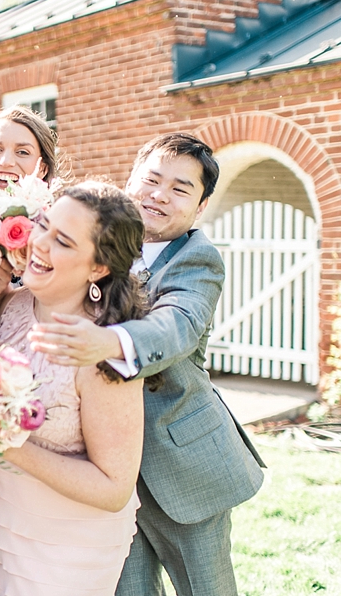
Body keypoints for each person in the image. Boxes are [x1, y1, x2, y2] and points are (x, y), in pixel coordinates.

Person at [29, 133, 265, 596]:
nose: (159, 194)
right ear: (132, 178)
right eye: (152, 179)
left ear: (200, 206)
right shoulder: (100, 243)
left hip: (182, 464)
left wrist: (109, 341)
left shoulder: (197, 260)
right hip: (107, 473)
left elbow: (177, 325)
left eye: (180, 188)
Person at [0, 181, 148, 595]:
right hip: (10, 523)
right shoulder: (17, 305)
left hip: (71, 545)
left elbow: (114, 487)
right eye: (43, 224)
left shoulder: (100, 347)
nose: (39, 243)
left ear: (99, 268)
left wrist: (3, 444)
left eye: (63, 241)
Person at [0, 105, 60, 329]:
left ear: (43, 169)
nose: (6, 161)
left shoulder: (55, 233)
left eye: (22, 152)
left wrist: (0, 301)